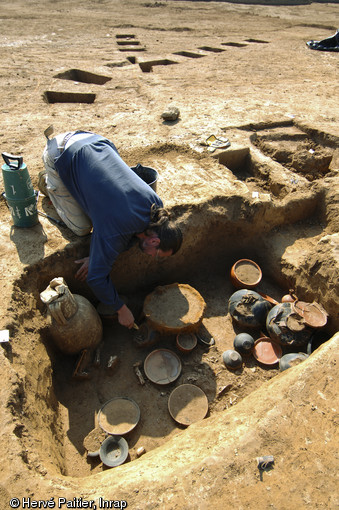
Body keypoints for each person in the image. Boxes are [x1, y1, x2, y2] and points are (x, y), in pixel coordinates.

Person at [39, 129, 183, 329]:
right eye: (157, 254)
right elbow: (96, 278)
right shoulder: (117, 227)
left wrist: (97, 256)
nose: (152, 257)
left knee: (100, 213)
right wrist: (121, 309)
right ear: (154, 240)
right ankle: (49, 183)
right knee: (81, 229)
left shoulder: (155, 204)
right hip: (61, 154)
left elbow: (121, 237)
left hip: (96, 142)